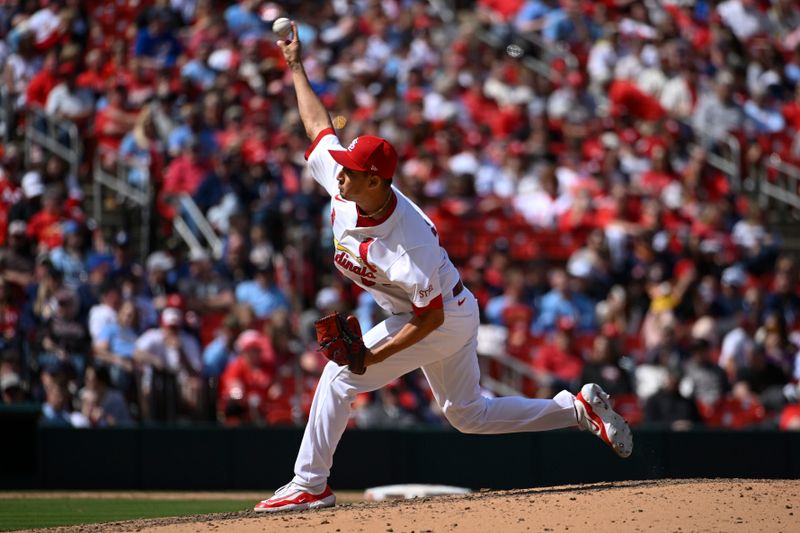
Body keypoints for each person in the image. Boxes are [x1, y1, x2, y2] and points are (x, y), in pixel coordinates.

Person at [253, 22, 633, 513]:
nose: (339, 172)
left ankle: (310, 483)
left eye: (351, 169)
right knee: (468, 414)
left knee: (340, 376)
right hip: (437, 308)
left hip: (438, 315)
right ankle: (576, 410)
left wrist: (374, 354)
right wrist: (297, 67)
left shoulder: (411, 244)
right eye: (341, 166)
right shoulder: (347, 186)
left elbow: (428, 318)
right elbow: (317, 128)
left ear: (378, 181)